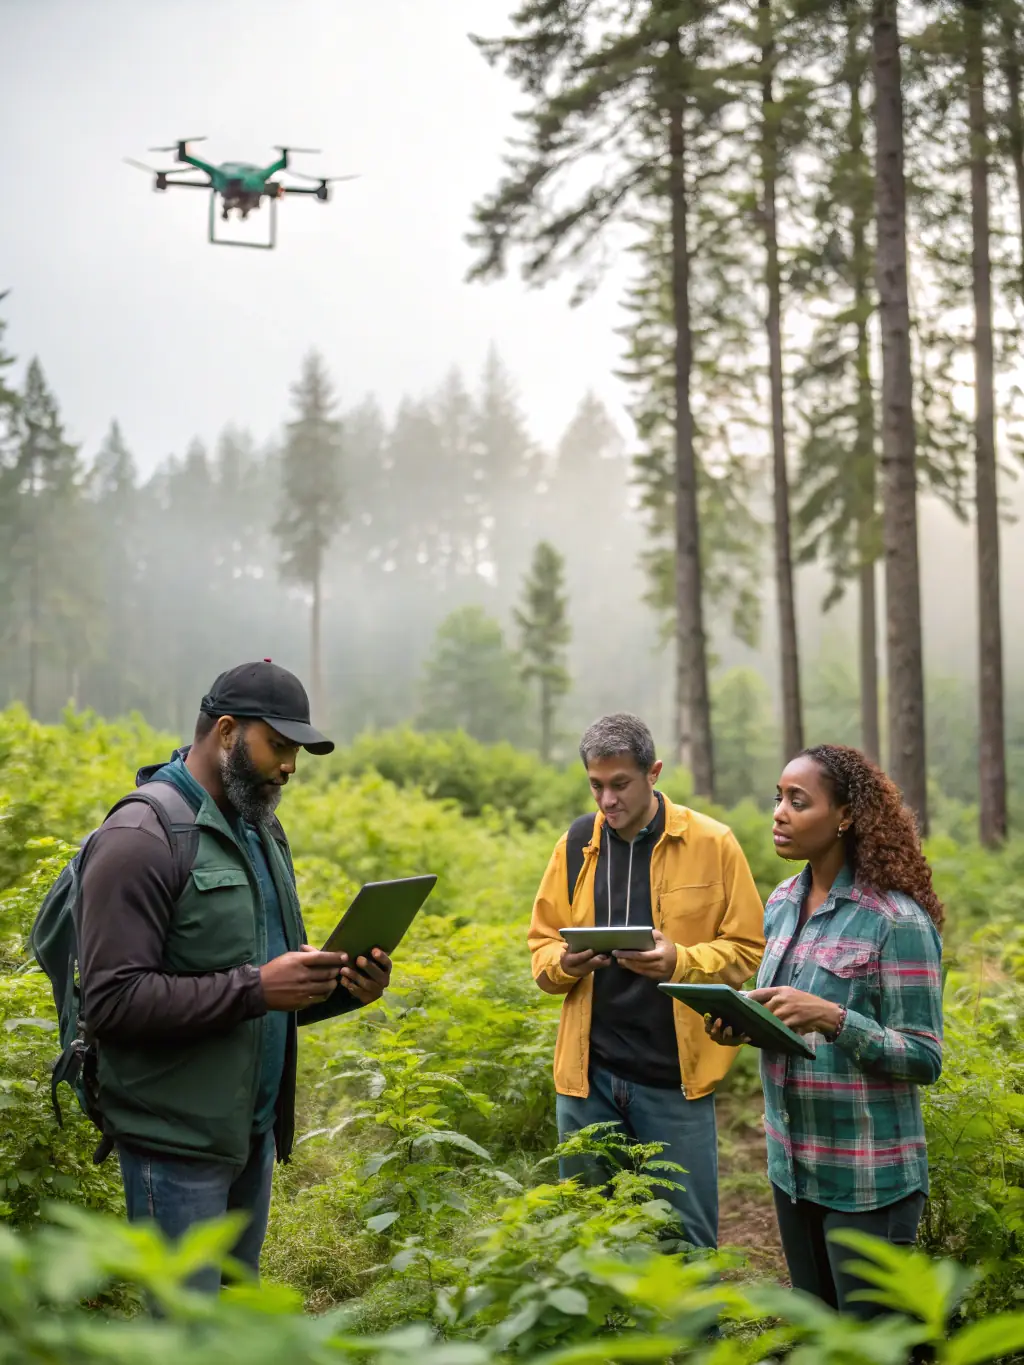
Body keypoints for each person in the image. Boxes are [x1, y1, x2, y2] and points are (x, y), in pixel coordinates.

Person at [78, 660, 393, 1293]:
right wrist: (257, 987)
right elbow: (110, 1002)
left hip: (248, 1134)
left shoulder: (261, 831)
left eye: (296, 750)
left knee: (231, 1330)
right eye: (277, 745)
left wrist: (339, 985)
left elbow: (264, 983)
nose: (290, 765)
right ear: (225, 731)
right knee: (185, 1338)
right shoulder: (140, 836)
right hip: (173, 1144)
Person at [706, 744, 944, 1318]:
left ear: (844, 816)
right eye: (778, 798)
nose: (779, 813)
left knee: (868, 1345)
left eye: (798, 801)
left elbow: (923, 1057)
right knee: (819, 1335)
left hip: (868, 1176)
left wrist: (835, 1019)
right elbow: (788, 1023)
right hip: (794, 1166)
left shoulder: (896, 920)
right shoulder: (783, 903)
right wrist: (745, 1024)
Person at [527, 713, 765, 1251]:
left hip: (672, 1079)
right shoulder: (575, 845)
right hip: (589, 1079)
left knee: (686, 1240)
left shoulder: (712, 843)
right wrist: (569, 963)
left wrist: (680, 959)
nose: (607, 800)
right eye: (596, 785)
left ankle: (694, 1335)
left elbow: (748, 948)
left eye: (620, 784)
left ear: (653, 773)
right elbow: (541, 945)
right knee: (590, 1235)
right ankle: (608, 1335)